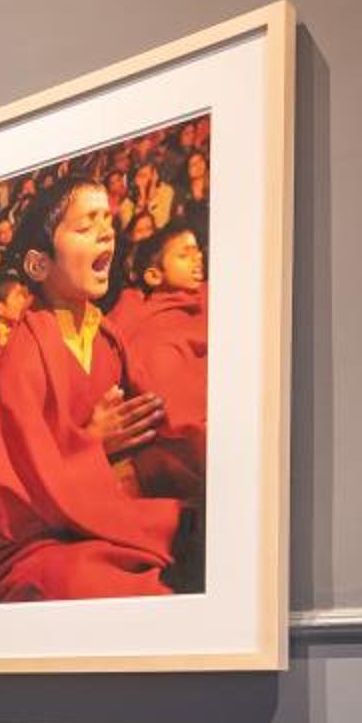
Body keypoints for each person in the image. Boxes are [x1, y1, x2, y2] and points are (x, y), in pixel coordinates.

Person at [0, 174, 177, 600]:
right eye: (85, 226)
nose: (105, 233)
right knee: (90, 581)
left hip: (104, 510)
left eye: (107, 222)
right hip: (37, 535)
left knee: (183, 523)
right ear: (39, 265)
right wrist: (93, 444)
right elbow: (10, 483)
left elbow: (156, 425)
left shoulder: (108, 337)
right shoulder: (26, 351)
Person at [106, 218, 207, 551]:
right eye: (184, 254)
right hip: (175, 451)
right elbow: (170, 405)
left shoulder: (209, 299)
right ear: (153, 275)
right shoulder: (148, 322)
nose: (197, 259)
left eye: (198, 251)